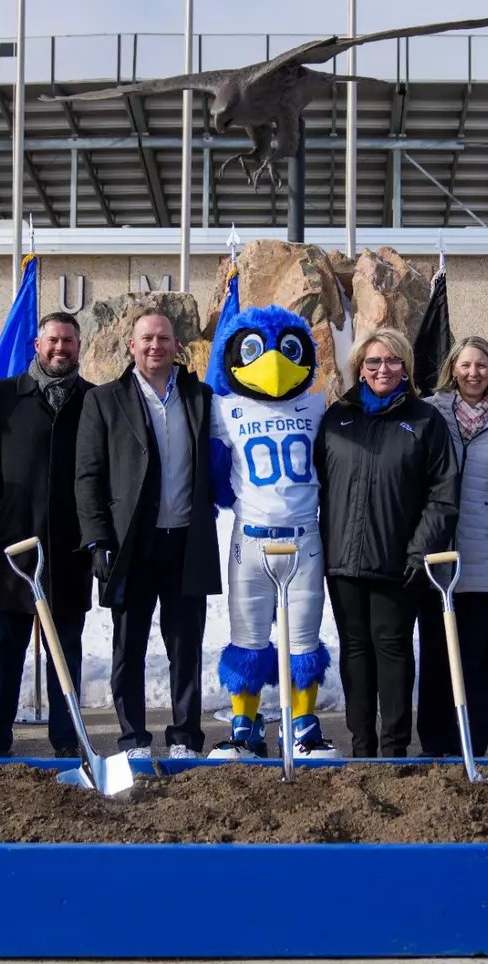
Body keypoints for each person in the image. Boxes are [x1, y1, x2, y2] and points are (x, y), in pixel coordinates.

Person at [74, 309, 221, 760]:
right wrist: (97, 538)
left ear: (177, 346)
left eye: (164, 338)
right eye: (146, 339)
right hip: (131, 544)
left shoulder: (200, 395)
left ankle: (185, 738)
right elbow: (88, 476)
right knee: (128, 646)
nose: (155, 346)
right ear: (132, 346)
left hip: (185, 541)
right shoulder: (103, 400)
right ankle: (133, 739)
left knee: (185, 646)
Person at [315, 328, 458, 758]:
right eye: (373, 362)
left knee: (393, 652)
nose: (383, 369)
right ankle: (362, 747)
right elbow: (317, 484)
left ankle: (394, 748)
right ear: (359, 367)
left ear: (406, 368)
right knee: (354, 653)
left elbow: (443, 493)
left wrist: (421, 549)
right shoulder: (338, 418)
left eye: (393, 361)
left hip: (399, 562)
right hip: (342, 562)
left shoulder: (423, 421)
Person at [205, 303, 339, 761]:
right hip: (252, 535)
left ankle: (303, 724)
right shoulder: (224, 407)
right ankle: (245, 723)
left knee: (303, 639)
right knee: (248, 636)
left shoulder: (317, 404)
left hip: (304, 535)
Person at [0, 312, 94, 759]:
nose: (61, 349)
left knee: (66, 655)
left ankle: (67, 739)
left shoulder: (93, 400)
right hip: (14, 553)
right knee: (5, 653)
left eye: (69, 342)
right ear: (37, 345)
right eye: (53, 341)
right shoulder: (1, 398)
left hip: (70, 553)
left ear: (79, 346)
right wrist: (1, 517)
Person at [418, 336, 488, 756]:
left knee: (477, 657)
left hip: (484, 550)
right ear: (453, 369)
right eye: (466, 365)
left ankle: (473, 743)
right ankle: (434, 742)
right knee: (436, 654)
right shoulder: (429, 411)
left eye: (482, 366)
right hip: (438, 552)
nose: (473, 373)